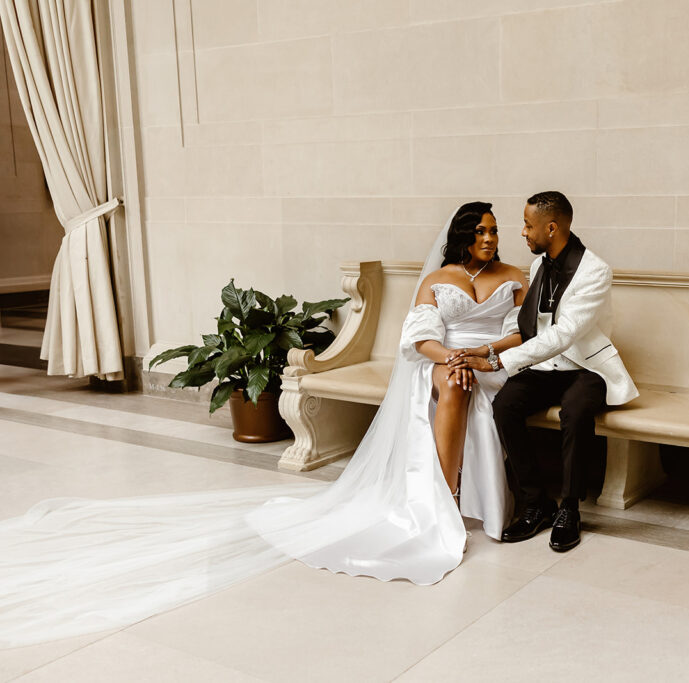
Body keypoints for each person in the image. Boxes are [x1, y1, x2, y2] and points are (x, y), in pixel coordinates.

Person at [0, 202, 525, 649]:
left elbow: (523, 333)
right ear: (461, 236)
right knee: (452, 380)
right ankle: (445, 498)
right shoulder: (437, 280)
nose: (489, 238)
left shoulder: (515, 279)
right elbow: (419, 338)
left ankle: (449, 487)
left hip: (497, 368)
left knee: (464, 379)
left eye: (494, 230)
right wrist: (454, 356)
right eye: (480, 230)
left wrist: (484, 355)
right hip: (439, 363)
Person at [447, 191, 639, 553]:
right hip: (545, 365)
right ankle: (537, 503)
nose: (522, 233)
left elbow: (564, 335)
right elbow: (529, 326)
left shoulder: (594, 271)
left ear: (551, 228)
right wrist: (489, 350)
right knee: (505, 405)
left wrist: (498, 362)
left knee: (577, 411)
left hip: (586, 368)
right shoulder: (539, 266)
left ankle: (569, 509)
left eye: (528, 225)